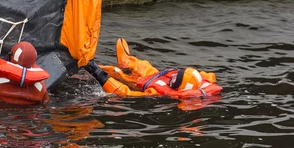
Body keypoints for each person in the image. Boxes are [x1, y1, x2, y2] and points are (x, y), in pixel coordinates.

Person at [85, 38, 222, 98]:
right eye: (176, 75)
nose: (173, 77)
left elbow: (125, 92)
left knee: (121, 75)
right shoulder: (204, 81)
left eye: (176, 80)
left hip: (145, 85)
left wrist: (98, 73)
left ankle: (92, 66)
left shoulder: (155, 92)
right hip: (157, 76)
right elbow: (210, 76)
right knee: (145, 66)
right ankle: (126, 60)